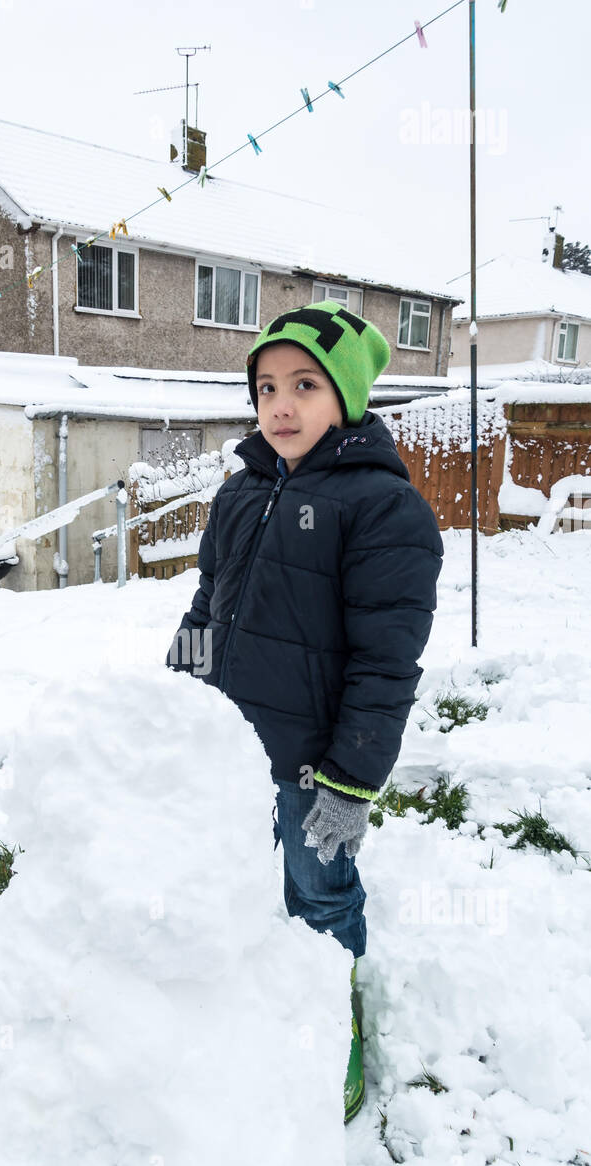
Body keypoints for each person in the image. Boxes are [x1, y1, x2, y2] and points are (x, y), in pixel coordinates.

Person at [165, 301, 444, 1123]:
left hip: (316, 763)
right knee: (249, 886)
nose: (279, 405)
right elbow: (206, 610)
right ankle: (260, 1010)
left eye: (304, 385)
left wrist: (351, 782)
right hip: (231, 750)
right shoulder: (241, 494)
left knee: (319, 896)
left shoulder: (384, 513)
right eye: (265, 388)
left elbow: (385, 664)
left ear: (348, 399)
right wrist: (172, 704)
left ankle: (335, 1023)